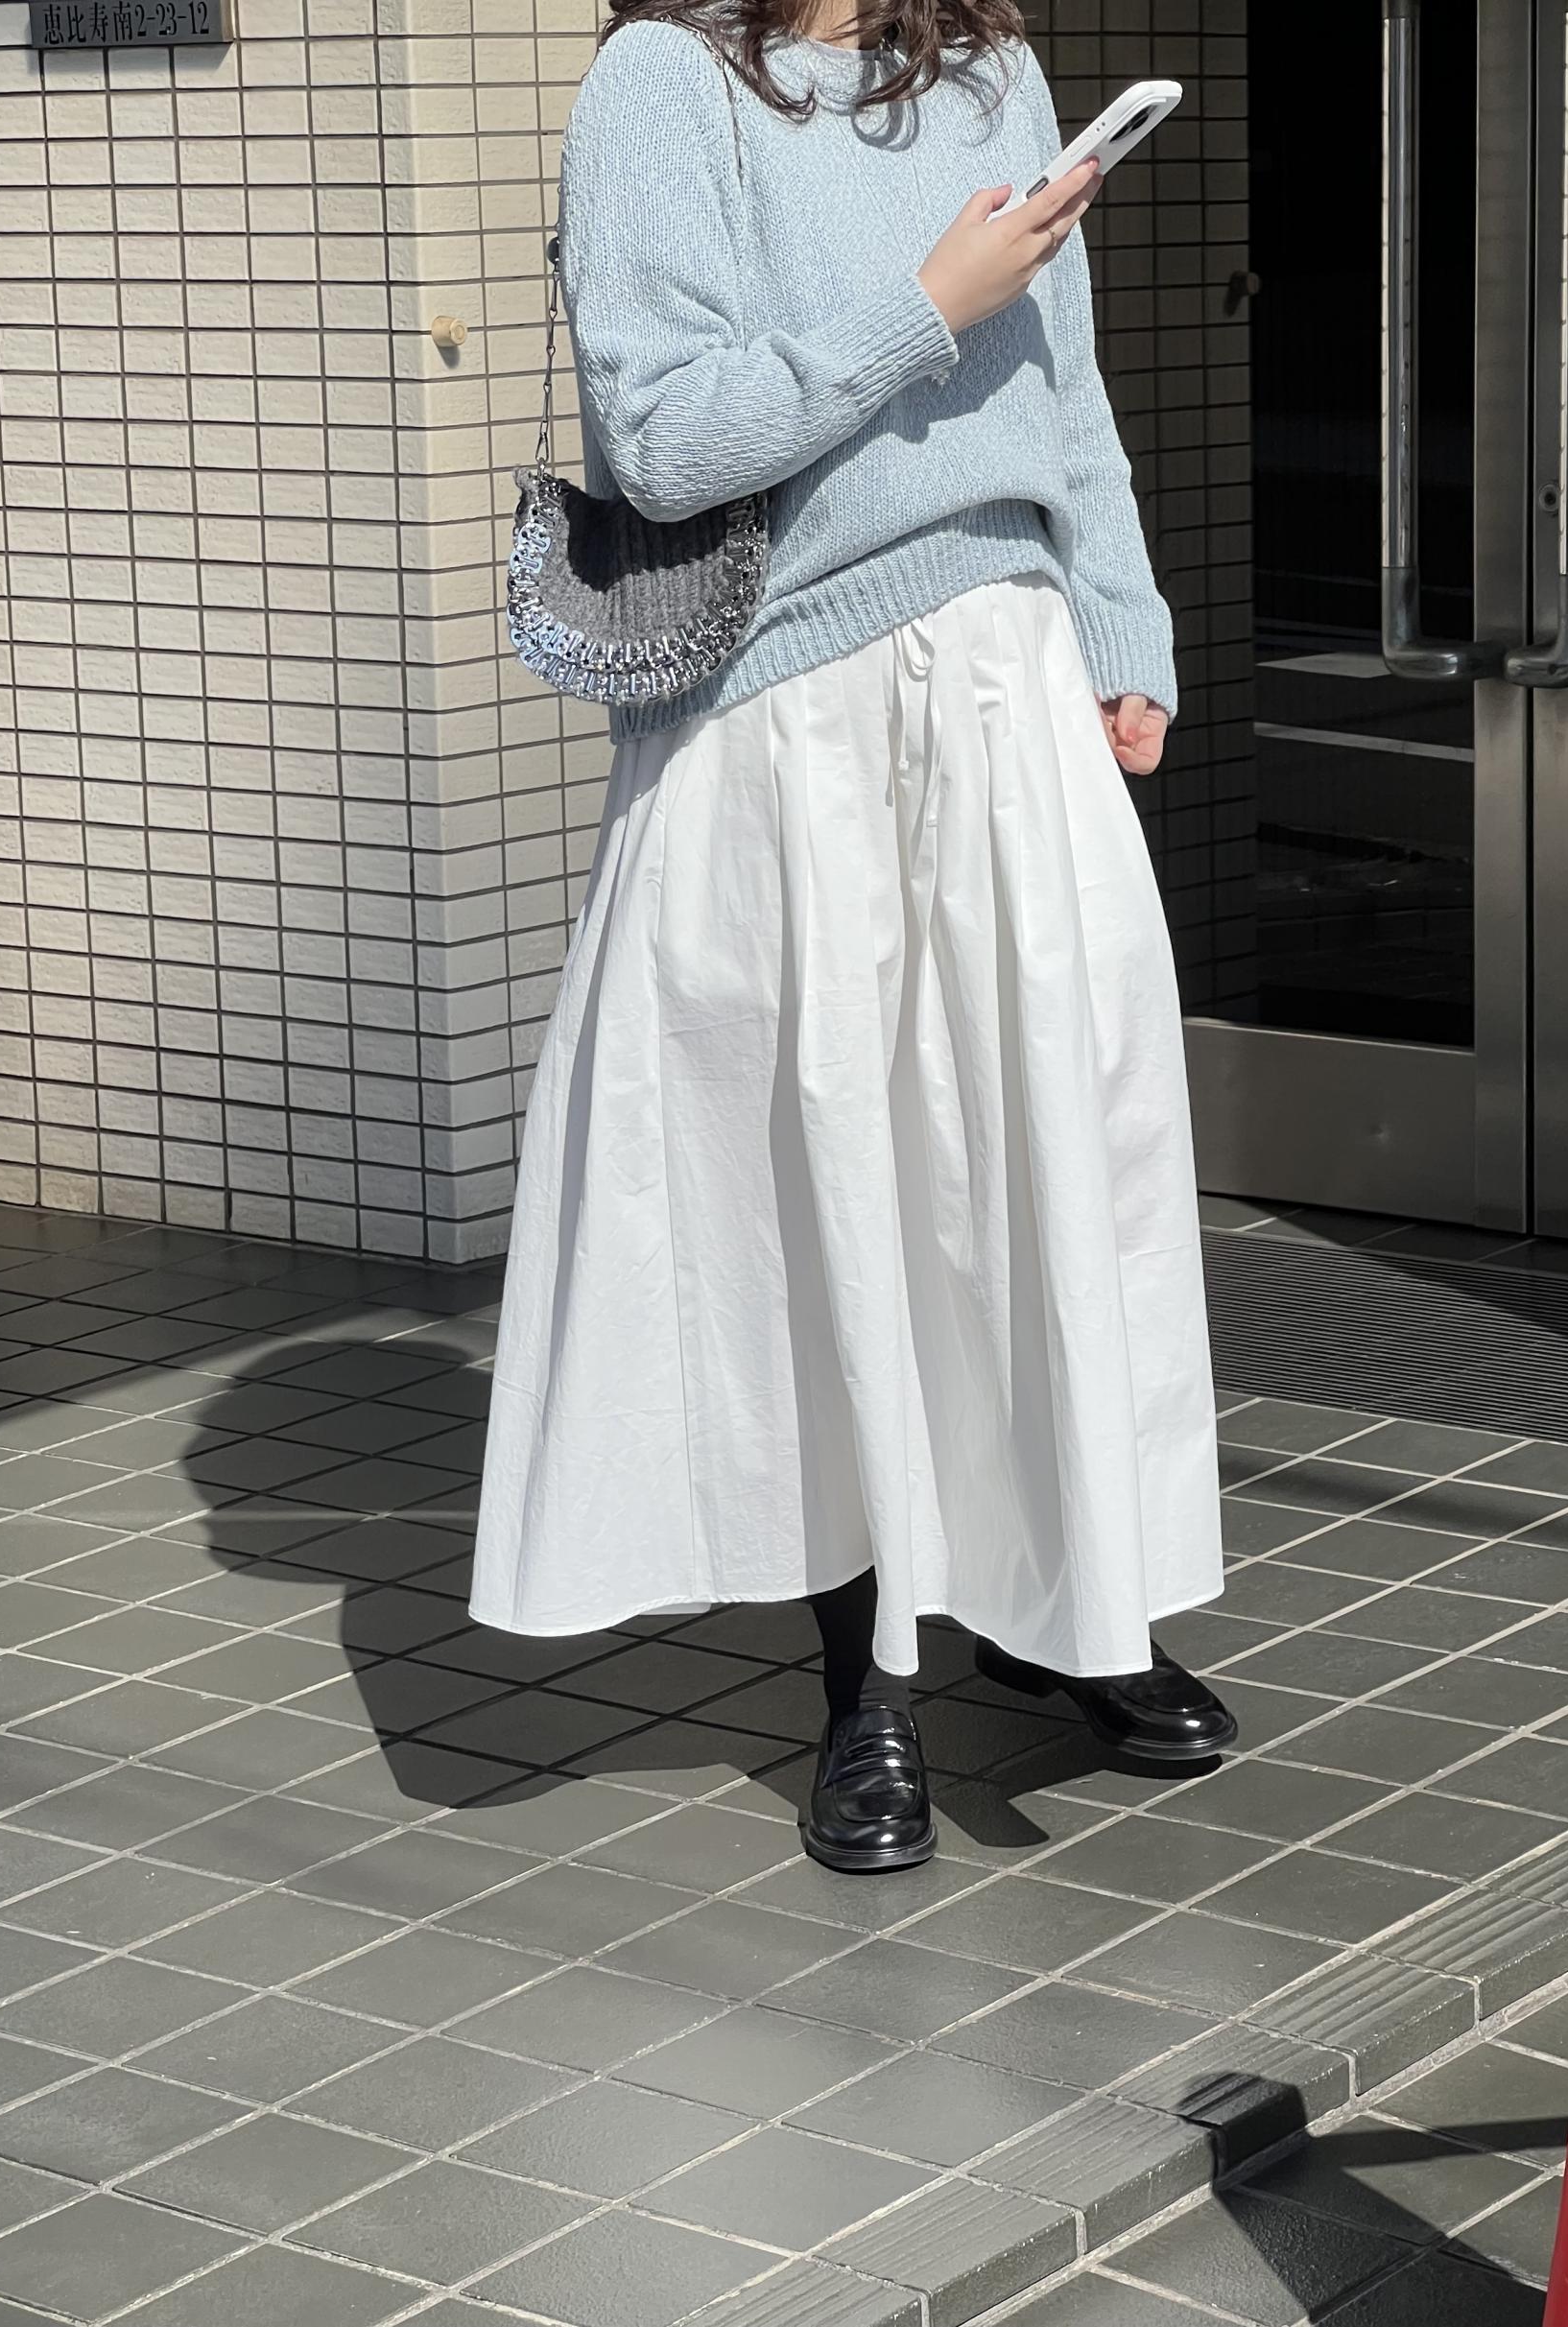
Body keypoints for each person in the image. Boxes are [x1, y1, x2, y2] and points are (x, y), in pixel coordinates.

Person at [472, 0, 1233, 1874]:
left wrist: (1122, 625)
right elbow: (663, 441)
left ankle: (1068, 1603)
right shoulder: (662, 87)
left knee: (1041, 1166)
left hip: (1009, 682)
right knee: (822, 1197)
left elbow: (1067, 388)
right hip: (778, 721)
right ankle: (868, 1678)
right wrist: (926, 300)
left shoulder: (991, 73)